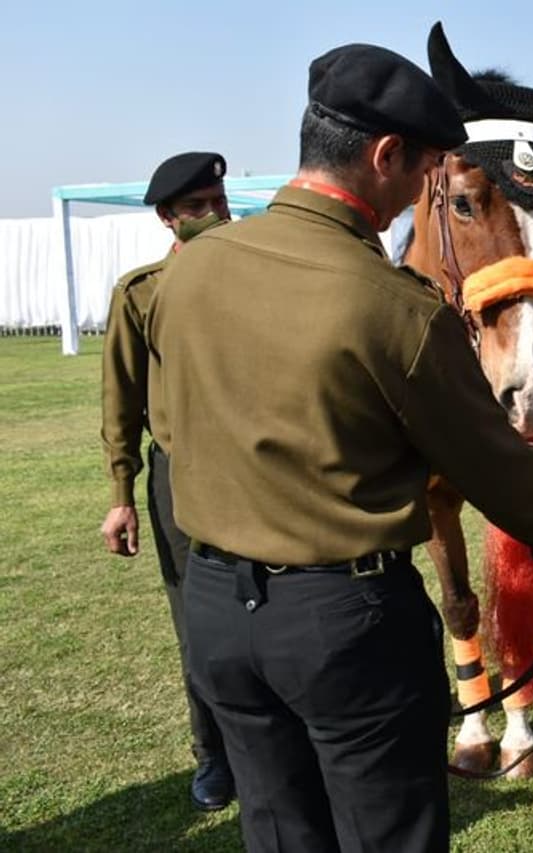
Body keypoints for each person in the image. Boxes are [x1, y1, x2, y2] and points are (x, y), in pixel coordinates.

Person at [146, 43, 533, 851]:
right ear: (386, 155)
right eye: (426, 167)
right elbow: (488, 463)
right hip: (344, 621)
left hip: (218, 612)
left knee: (279, 827)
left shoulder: (186, 275)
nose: (424, 187)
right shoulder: (394, 307)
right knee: (387, 833)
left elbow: (169, 425)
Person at [99, 151, 235, 811]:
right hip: (181, 475)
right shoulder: (140, 293)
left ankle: (275, 743)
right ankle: (213, 753)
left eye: (220, 200)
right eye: (198, 207)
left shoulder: (258, 274)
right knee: (199, 623)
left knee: (275, 612)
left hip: (259, 470)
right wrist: (121, 496)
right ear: (167, 218)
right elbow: (119, 403)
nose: (215, 214)